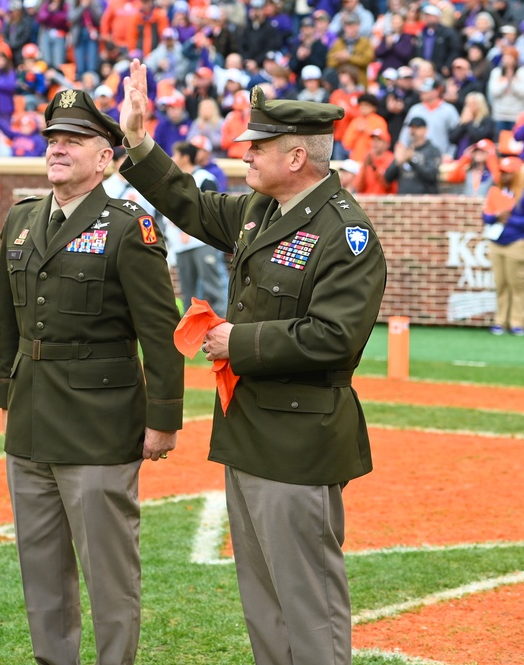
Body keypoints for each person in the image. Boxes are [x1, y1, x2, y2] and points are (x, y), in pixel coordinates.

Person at [120, 61, 387, 665]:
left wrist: (238, 343)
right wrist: (138, 142)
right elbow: (187, 203)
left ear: (296, 157)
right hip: (248, 434)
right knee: (263, 601)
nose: (245, 155)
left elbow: (335, 337)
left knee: (308, 600)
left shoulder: (346, 234)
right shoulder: (260, 213)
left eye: (257, 146)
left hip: (298, 439)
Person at [0, 87, 185, 665]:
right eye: (53, 139)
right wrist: (9, 393)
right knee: (41, 568)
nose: (58, 149)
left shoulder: (130, 227)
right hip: (30, 421)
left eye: (73, 141)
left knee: (109, 573)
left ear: (106, 157)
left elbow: (162, 335)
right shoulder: (23, 218)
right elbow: (9, 318)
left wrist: (164, 422)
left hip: (100, 427)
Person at [166, 141, 228, 314]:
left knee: (213, 287)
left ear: (186, 157)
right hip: (180, 244)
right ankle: (193, 335)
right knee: (188, 293)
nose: (172, 159)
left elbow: (212, 211)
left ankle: (222, 328)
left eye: (176, 155)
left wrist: (186, 227)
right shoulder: (174, 180)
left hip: (203, 242)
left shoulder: (204, 178)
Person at [482, 155, 524, 335]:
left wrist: (509, 218)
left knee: (517, 285)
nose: (504, 177)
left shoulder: (521, 194)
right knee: (500, 284)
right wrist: (496, 217)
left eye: (508, 173)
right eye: (502, 173)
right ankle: (500, 321)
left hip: (516, 242)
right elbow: (485, 216)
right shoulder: (495, 191)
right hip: (496, 243)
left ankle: (516, 322)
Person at [386, 116, 443, 194]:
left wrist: (412, 160)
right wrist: (397, 163)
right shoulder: (404, 150)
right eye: (411, 128)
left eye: (417, 128)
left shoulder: (432, 151)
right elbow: (387, 178)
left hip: (425, 201)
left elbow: (431, 176)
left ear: (425, 130)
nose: (413, 131)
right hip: (403, 201)